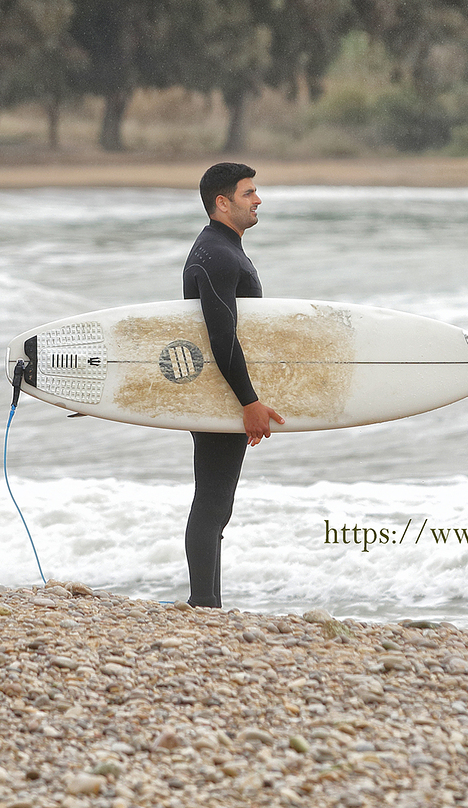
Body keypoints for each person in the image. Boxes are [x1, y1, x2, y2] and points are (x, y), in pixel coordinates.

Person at [182, 161, 284, 608]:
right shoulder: (220, 256)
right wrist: (249, 401)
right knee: (212, 501)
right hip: (223, 393)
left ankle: (207, 601)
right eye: (248, 193)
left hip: (219, 389)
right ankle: (204, 604)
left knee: (215, 500)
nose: (258, 199)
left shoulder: (219, 249)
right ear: (222, 203)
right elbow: (221, 335)